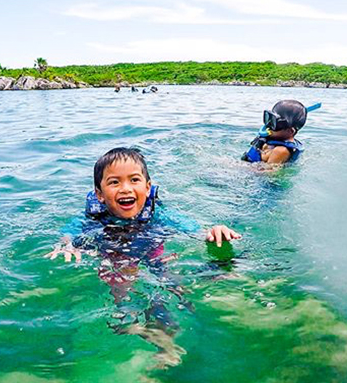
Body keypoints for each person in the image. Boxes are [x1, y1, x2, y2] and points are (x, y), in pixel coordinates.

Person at [44, 147, 241, 368]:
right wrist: (65, 245)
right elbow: (69, 232)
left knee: (172, 286)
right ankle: (129, 322)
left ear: (147, 188)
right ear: (99, 194)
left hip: (153, 251)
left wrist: (212, 232)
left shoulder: (158, 215)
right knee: (121, 289)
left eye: (134, 180)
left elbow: (194, 229)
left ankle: (169, 340)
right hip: (116, 254)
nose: (126, 188)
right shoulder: (93, 219)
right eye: (114, 182)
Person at [241, 99, 320, 165]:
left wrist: (236, 168)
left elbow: (268, 175)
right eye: (269, 119)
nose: (268, 126)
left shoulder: (281, 151)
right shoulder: (273, 139)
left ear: (290, 131)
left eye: (274, 123)